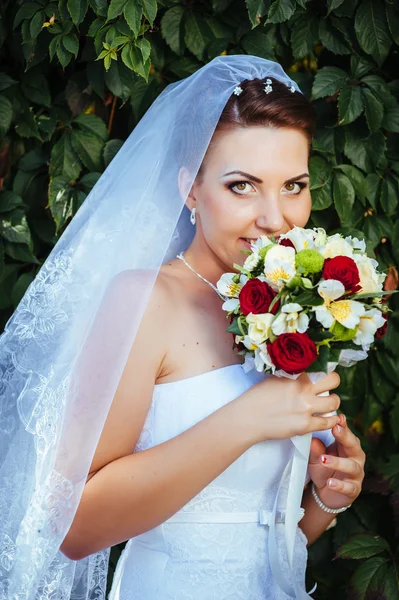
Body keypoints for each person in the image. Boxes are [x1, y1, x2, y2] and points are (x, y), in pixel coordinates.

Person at [0, 55, 365, 600]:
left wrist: (326, 499)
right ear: (190, 189)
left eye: (294, 185)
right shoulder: (145, 299)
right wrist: (247, 419)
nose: (275, 217)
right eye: (242, 186)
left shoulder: (299, 307)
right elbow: (73, 528)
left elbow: (263, 537)